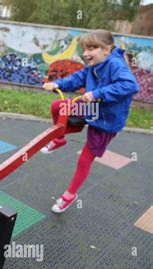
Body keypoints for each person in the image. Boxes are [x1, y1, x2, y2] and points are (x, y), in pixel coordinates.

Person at [41, 29, 139, 213]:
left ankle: (69, 195)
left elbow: (130, 85)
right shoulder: (94, 66)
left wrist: (97, 93)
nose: (86, 53)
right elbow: (77, 78)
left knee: (85, 159)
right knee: (58, 106)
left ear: (107, 49)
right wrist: (58, 84)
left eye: (92, 48)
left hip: (106, 120)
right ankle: (60, 138)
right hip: (90, 109)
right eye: (85, 49)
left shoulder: (116, 64)